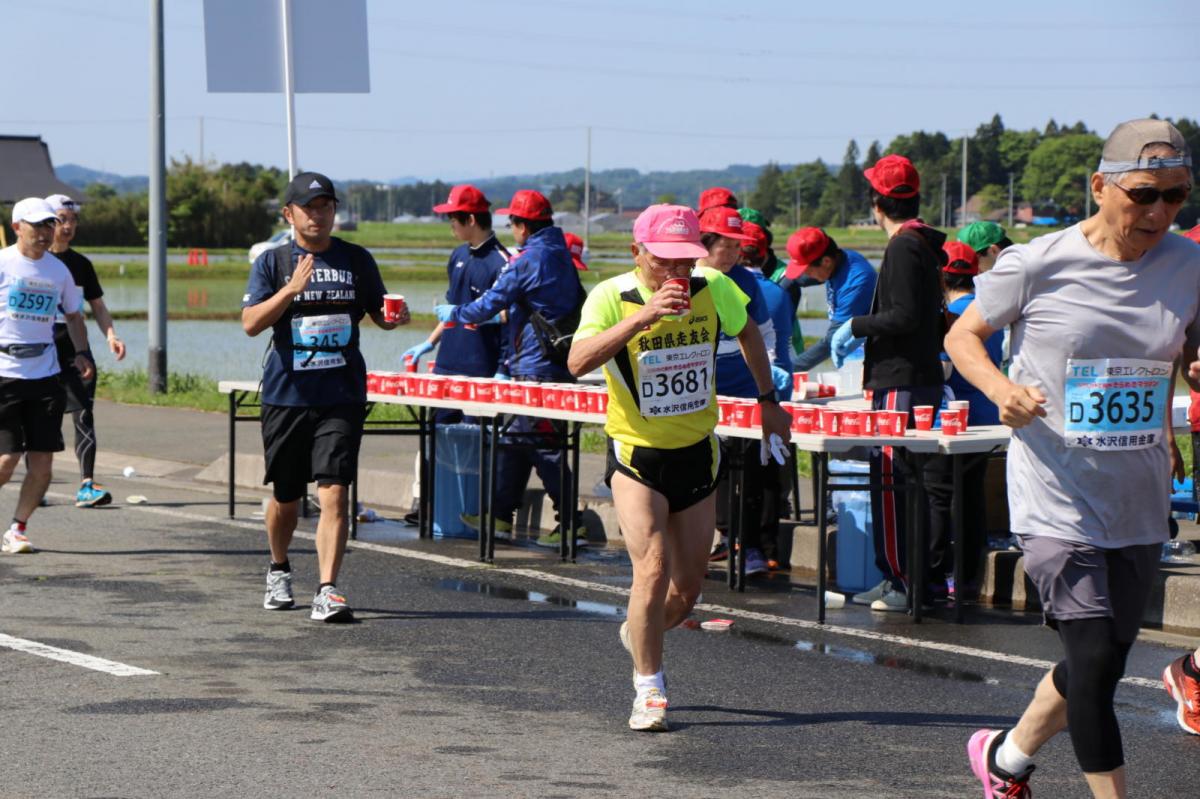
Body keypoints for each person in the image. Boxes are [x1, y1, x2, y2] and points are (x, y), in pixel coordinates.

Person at [946, 118, 1200, 797]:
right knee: (1090, 662)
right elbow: (963, 335)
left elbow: (1183, 348)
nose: (1159, 212)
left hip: (1138, 492)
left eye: (1176, 197)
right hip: (1055, 491)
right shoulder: (1037, 262)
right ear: (1100, 185)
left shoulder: (1189, 264)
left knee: (1103, 664)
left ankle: (1004, 758)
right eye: (1144, 193)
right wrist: (1001, 389)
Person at [567, 204, 791, 731]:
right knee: (651, 567)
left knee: (687, 590)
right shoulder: (611, 296)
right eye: (664, 261)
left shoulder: (713, 286)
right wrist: (643, 317)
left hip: (696, 450)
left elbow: (749, 335)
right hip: (637, 454)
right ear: (636, 253)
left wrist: (768, 399)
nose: (677, 273)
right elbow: (576, 363)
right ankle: (649, 689)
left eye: (685, 261)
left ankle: (638, 632)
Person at [242, 171, 409, 622]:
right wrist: (291, 290)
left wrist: (394, 319)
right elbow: (251, 323)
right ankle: (278, 568)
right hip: (287, 395)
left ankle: (328, 588)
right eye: (309, 207)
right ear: (289, 213)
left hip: (341, 393)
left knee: (335, 492)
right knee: (286, 497)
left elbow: (379, 312)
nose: (319, 215)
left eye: (326, 206)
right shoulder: (272, 263)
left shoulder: (356, 259)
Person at [436, 190, 586, 549]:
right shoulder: (561, 253)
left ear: (522, 226)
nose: (512, 229)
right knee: (514, 440)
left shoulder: (526, 260)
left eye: (513, 223)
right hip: (556, 358)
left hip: (535, 365)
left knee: (542, 443)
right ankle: (500, 515)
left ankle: (571, 522)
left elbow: (489, 304)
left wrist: (454, 313)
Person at [831, 154, 946, 612]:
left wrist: (855, 326)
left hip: (900, 378)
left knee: (892, 479)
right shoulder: (922, 243)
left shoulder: (902, 246)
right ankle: (900, 576)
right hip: (916, 375)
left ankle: (901, 580)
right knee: (905, 480)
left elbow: (903, 316)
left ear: (877, 202)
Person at [695, 208, 785, 574]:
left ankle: (747, 548)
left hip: (744, 391)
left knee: (748, 470)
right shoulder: (687, 280)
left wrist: (771, 372)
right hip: (701, 395)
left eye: (737, 246)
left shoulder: (746, 282)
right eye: (726, 246)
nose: (733, 254)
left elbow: (763, 333)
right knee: (710, 472)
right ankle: (713, 540)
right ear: (704, 245)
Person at [0, 198, 92, 554]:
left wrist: (82, 352)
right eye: (37, 225)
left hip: (45, 374)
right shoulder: (4, 263)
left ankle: (17, 528)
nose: (45, 232)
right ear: (17, 227)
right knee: (6, 462)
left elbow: (74, 316)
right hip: (4, 373)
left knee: (43, 465)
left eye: (49, 225)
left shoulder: (58, 271)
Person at [923, 241, 1002, 601]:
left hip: (953, 421)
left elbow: (943, 369)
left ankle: (938, 573)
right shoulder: (988, 311)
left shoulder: (952, 316)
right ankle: (969, 576)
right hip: (987, 417)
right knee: (971, 495)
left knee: (940, 494)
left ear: (941, 275)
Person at [43, 194, 127, 508]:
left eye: (73, 220)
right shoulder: (35, 262)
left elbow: (98, 306)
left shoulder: (81, 265)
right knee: (41, 420)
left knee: (83, 416)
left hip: (76, 351)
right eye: (62, 219)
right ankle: (38, 485)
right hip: (39, 352)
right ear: (48, 221)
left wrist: (111, 335)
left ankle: (86, 485)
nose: (68, 226)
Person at [404, 184, 510, 407]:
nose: (450, 223)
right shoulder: (458, 255)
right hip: (446, 363)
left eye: (453, 217)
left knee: (475, 436)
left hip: (481, 367)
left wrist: (503, 368)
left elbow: (509, 321)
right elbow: (453, 308)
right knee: (440, 433)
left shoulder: (501, 262)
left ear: (470, 219)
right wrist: (429, 342)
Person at [784, 227, 877, 372]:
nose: (806, 275)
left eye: (807, 271)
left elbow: (831, 341)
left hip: (863, 356)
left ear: (826, 261)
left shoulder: (856, 281)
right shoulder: (836, 261)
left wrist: (788, 369)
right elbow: (792, 281)